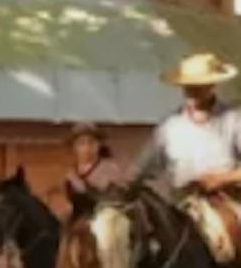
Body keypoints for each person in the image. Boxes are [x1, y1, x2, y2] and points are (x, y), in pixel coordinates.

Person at [132, 53, 241, 196]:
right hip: (182, 203)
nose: (191, 91)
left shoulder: (233, 120)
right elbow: (141, 169)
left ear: (212, 85)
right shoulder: (170, 126)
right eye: (188, 86)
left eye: (198, 86)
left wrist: (221, 179)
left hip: (226, 200)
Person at [63, 121, 124, 202]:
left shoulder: (110, 170)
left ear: (99, 144)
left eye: (91, 142)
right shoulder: (71, 175)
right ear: (74, 147)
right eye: (81, 143)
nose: (87, 148)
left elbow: (118, 201)